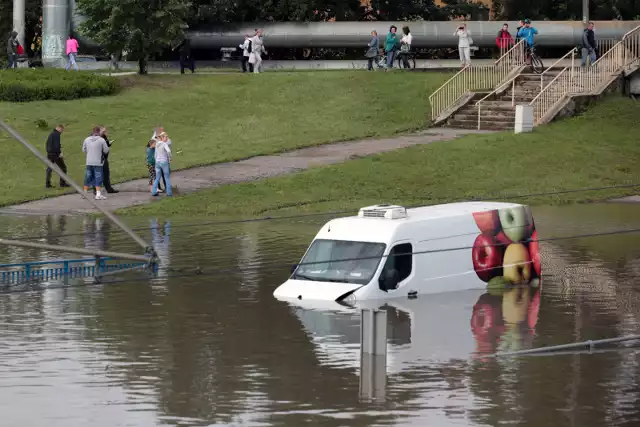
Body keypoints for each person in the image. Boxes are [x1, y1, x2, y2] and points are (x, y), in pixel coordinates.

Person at [82, 126, 110, 200]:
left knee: (88, 176)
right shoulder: (101, 140)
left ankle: (84, 192)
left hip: (89, 161)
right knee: (98, 177)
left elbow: (83, 150)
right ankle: (98, 194)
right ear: (99, 132)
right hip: (98, 161)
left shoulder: (87, 139)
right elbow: (106, 150)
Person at [45, 124, 70, 189]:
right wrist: (59, 153)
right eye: (62, 130)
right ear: (59, 128)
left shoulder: (51, 134)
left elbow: (47, 144)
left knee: (49, 169)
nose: (62, 131)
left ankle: (47, 184)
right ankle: (62, 183)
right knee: (63, 168)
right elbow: (57, 145)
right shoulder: (57, 134)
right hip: (55, 154)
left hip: (50, 154)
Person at [152, 132, 172, 197]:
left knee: (157, 178)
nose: (167, 138)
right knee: (167, 177)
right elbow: (168, 151)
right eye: (166, 137)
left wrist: (156, 161)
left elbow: (155, 154)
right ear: (162, 137)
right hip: (164, 162)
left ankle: (154, 191)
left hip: (157, 162)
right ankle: (169, 193)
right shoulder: (164, 144)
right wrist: (170, 158)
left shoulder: (157, 144)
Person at [99, 126, 118, 193]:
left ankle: (108, 189)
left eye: (105, 131)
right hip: (101, 158)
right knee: (101, 174)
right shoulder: (99, 139)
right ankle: (97, 190)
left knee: (105, 174)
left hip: (103, 158)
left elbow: (106, 145)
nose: (105, 132)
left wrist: (108, 143)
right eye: (103, 131)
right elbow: (106, 149)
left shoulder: (103, 137)